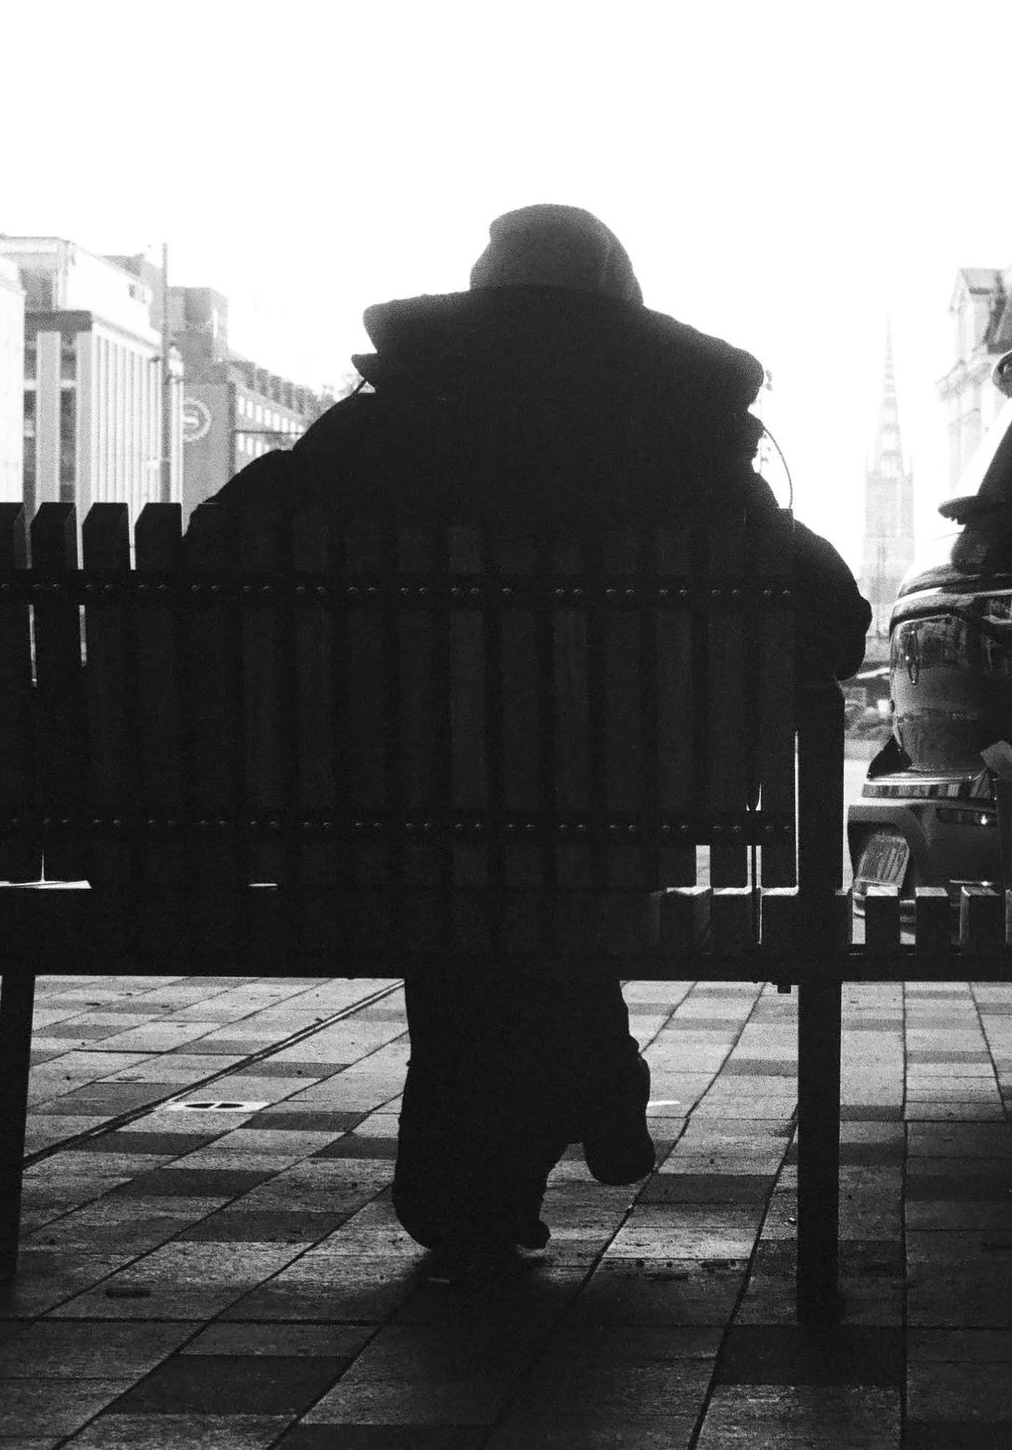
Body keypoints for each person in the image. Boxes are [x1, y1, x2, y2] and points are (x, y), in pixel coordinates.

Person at [191, 204, 870, 1274]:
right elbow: (832, 618)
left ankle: (534, 1128)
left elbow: (213, 561)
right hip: (628, 813)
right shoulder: (685, 439)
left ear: (476, 293)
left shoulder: (385, 426)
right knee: (554, 848)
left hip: (403, 812)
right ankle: (578, 1081)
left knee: (464, 840)